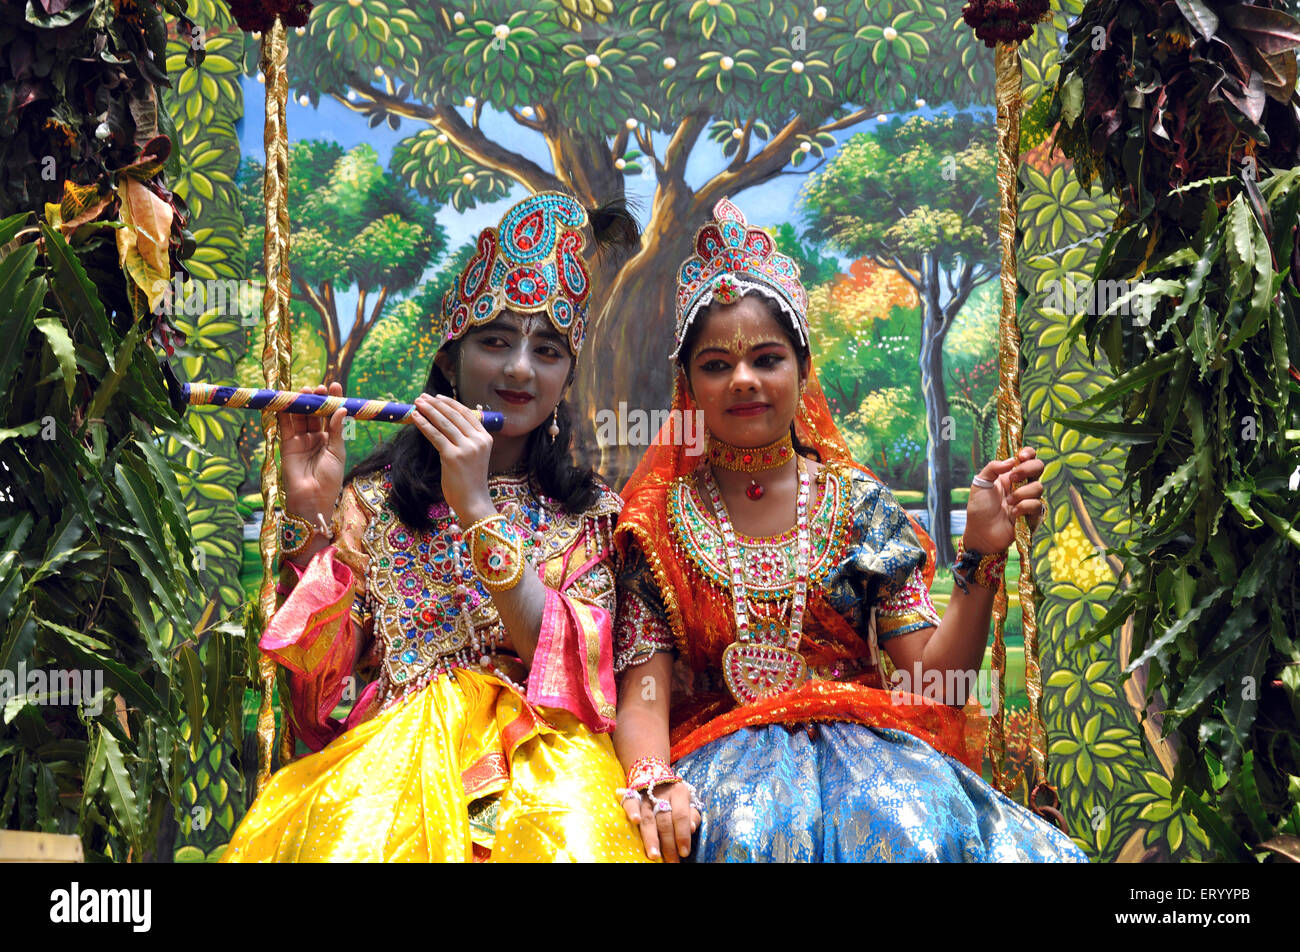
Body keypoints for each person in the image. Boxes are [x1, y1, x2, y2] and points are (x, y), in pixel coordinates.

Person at [610, 198, 1089, 863]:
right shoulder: (657, 525)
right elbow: (643, 697)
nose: (743, 379)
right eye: (716, 364)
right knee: (744, 837)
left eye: (767, 359)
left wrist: (980, 554)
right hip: (715, 767)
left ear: (803, 371)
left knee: (906, 831)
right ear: (687, 384)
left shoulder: (858, 505)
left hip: (871, 762)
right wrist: (651, 782)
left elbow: (933, 684)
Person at [223, 191, 650, 862]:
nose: (518, 368)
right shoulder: (375, 502)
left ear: (567, 377)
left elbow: (571, 675)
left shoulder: (592, 515)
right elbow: (314, 704)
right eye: (496, 341)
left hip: (547, 774)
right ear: (450, 360)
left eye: (547, 350)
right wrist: (310, 511)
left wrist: (475, 507)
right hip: (389, 772)